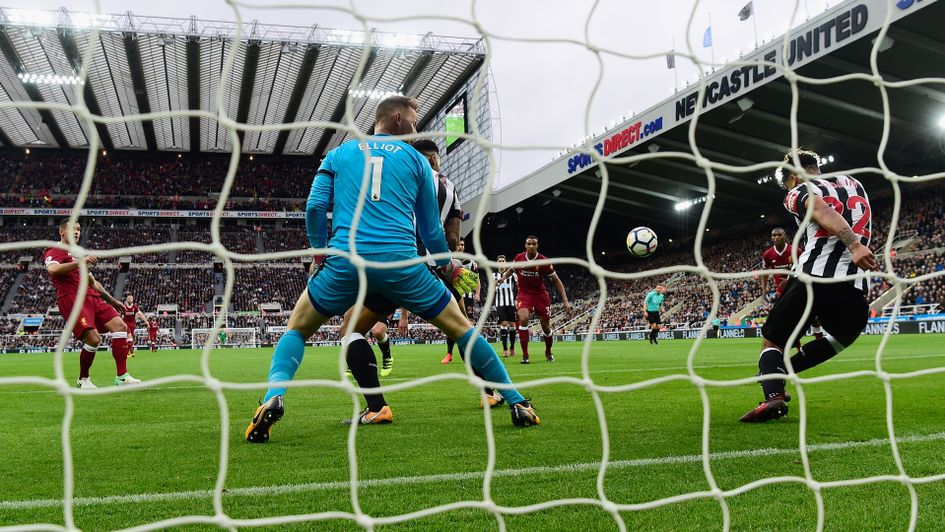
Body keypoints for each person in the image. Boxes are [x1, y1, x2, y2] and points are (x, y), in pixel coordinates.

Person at [244, 96, 539, 443]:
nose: (416, 130)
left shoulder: (339, 154)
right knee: (462, 329)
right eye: (414, 122)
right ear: (397, 119)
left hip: (346, 263)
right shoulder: (417, 162)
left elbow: (314, 207)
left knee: (297, 329)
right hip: (402, 265)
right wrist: (449, 268)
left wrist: (320, 256)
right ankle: (517, 402)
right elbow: (430, 231)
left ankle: (274, 396)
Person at [338, 138, 501, 411]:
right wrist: (448, 270)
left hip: (399, 265)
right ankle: (490, 391)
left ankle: (377, 408)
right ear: (436, 158)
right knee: (463, 329)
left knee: (349, 329)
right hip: (437, 267)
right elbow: (452, 239)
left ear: (420, 158)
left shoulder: (402, 176)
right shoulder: (449, 187)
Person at [741, 149, 877, 423]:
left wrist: (853, 245)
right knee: (841, 338)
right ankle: (781, 375)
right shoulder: (854, 183)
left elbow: (820, 209)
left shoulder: (798, 190)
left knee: (773, 340)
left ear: (792, 178)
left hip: (814, 277)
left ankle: (773, 398)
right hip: (854, 283)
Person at [43, 219, 140, 388]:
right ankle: (83, 379)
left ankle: (122, 376)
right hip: (73, 299)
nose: (76, 232)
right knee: (94, 339)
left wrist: (113, 300)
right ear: (61, 232)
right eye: (72, 229)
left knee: (120, 327)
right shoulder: (56, 250)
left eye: (78, 229)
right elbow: (52, 270)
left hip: (91, 297)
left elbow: (92, 282)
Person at [499, 236, 571, 363]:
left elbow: (556, 281)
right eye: (529, 244)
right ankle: (525, 355)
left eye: (533, 244)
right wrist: (503, 278)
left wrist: (565, 301)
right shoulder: (519, 258)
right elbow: (511, 269)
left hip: (540, 296)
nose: (531, 246)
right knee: (523, 318)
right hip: (524, 295)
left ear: (537, 246)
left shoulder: (543, 261)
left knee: (545, 327)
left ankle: (548, 351)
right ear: (525, 245)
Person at [761, 227, 824, 349]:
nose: (776, 237)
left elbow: (805, 267)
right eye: (773, 235)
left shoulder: (795, 251)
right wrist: (764, 290)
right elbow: (764, 272)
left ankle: (819, 338)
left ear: (785, 236)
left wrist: (790, 280)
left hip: (799, 287)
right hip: (782, 292)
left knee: (812, 315)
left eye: (779, 235)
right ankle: (796, 343)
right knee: (787, 319)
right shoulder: (768, 254)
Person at [442, 238, 480, 364]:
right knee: (452, 324)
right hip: (452, 296)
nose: (461, 247)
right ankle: (449, 353)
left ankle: (469, 352)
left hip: (468, 298)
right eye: (459, 244)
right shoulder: (447, 260)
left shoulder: (471, 262)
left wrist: (478, 294)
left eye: (463, 244)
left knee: (469, 323)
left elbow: (477, 279)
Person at [493, 255, 518, 357]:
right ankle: (505, 348)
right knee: (503, 324)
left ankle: (512, 346)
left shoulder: (512, 275)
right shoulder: (493, 275)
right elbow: (491, 290)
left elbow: (518, 287)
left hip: (511, 303)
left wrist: (516, 299)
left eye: (503, 261)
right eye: (500, 261)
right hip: (500, 303)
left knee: (512, 325)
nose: (501, 262)